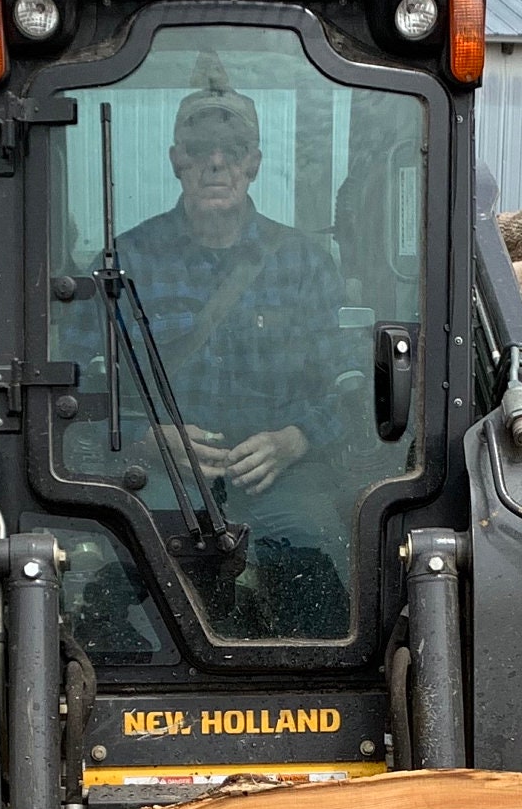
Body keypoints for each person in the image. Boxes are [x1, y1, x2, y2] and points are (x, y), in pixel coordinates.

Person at [105, 61, 354, 637]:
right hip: (161, 479)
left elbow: (348, 383)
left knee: (317, 554)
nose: (215, 162)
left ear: (253, 162)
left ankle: (316, 680)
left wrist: (295, 440)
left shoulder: (304, 264)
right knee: (117, 571)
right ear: (177, 159)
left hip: (281, 482)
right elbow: (87, 388)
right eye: (200, 149)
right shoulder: (127, 263)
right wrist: (147, 438)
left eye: (233, 149)